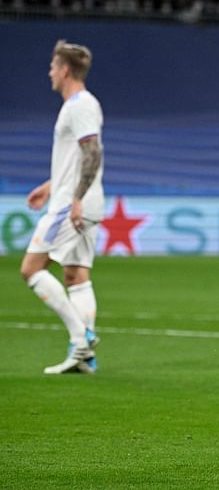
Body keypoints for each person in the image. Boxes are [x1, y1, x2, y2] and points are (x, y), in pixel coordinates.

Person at [20, 39, 104, 374]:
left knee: (31, 269)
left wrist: (75, 198)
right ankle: (84, 357)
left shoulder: (79, 106)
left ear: (65, 70)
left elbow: (93, 152)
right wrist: (50, 184)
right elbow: (76, 158)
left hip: (72, 204)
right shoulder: (80, 105)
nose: (50, 72)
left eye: (54, 66)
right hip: (80, 198)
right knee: (76, 274)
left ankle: (80, 336)